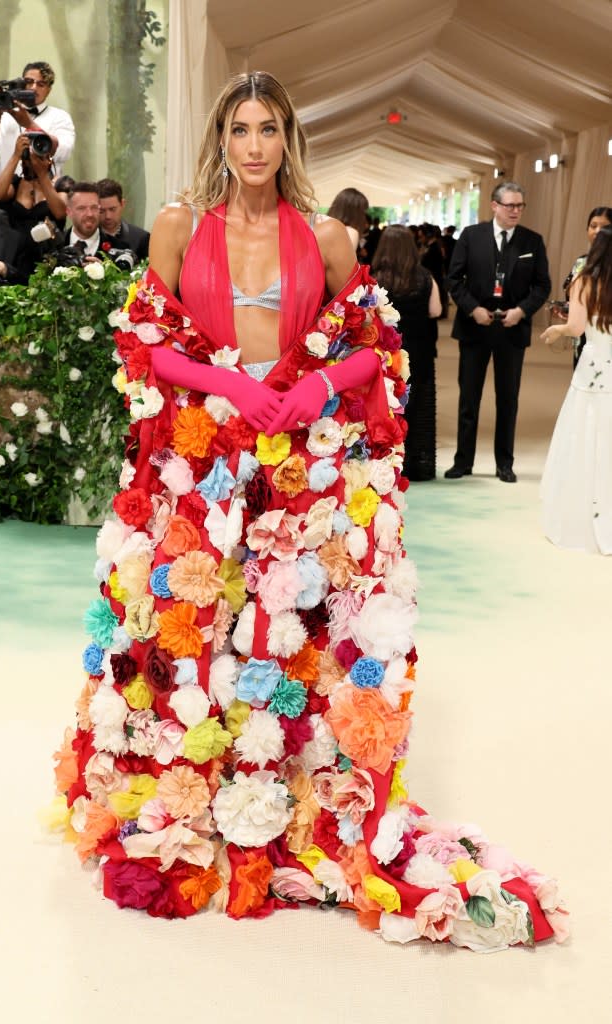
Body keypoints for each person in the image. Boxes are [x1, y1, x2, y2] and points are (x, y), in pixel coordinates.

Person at [51, 72, 564, 949]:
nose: (254, 146)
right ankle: (195, 789)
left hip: (298, 464)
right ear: (220, 138)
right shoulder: (180, 226)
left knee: (295, 630)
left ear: (288, 140)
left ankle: (285, 791)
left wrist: (316, 383)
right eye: (240, 130)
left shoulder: (324, 237)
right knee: (193, 629)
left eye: (269, 130)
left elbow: (374, 345)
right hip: (203, 463)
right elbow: (143, 334)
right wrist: (220, 381)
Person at [445, 182, 551, 482]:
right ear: (494, 205)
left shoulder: (532, 241)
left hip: (511, 329)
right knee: (469, 397)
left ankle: (505, 463)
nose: (515, 210)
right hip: (474, 326)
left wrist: (522, 311)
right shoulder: (471, 236)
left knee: (508, 399)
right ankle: (463, 461)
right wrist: (472, 309)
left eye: (520, 205)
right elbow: (454, 279)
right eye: (510, 205)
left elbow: (542, 285)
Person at [540, 226, 612, 554]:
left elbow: (577, 327)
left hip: (594, 366)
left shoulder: (585, 281)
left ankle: (581, 511)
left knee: (585, 435)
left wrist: (558, 328)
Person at [372, 224, 442, 480]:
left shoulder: (373, 278)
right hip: (419, 350)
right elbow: (435, 311)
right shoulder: (425, 277)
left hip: (385, 352)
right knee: (418, 406)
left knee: (385, 406)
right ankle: (418, 463)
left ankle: (385, 464)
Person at [0, 61, 75, 179]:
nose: (34, 88)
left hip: (45, 193)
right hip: (5, 192)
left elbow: (63, 152)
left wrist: (29, 124)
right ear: (21, 84)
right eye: (29, 82)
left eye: (41, 84)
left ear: (48, 90)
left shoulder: (60, 117)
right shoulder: (6, 116)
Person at [0, 132, 67, 280]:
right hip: (15, 256)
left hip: (48, 257)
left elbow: (60, 212)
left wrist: (42, 174)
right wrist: (16, 155)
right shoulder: (15, 183)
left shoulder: (59, 185)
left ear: (50, 159)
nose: (36, 158)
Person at [557, 206, 612, 367]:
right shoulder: (581, 263)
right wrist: (568, 309)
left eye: (604, 227)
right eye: (593, 226)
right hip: (583, 335)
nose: (597, 232)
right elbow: (571, 297)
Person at [97, 178, 150, 260]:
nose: (108, 216)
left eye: (112, 209)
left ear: (122, 204)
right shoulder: (87, 237)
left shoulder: (140, 238)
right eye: (102, 211)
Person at [326, 186, 369, 252]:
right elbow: (344, 262)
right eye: (363, 212)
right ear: (355, 213)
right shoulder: (350, 233)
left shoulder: (321, 226)